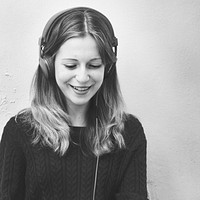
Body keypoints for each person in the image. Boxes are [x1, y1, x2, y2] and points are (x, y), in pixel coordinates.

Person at [0, 7, 148, 200]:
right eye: (71, 65)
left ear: (108, 68)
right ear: (48, 65)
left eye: (94, 65)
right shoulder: (19, 131)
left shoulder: (128, 132)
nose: (82, 77)